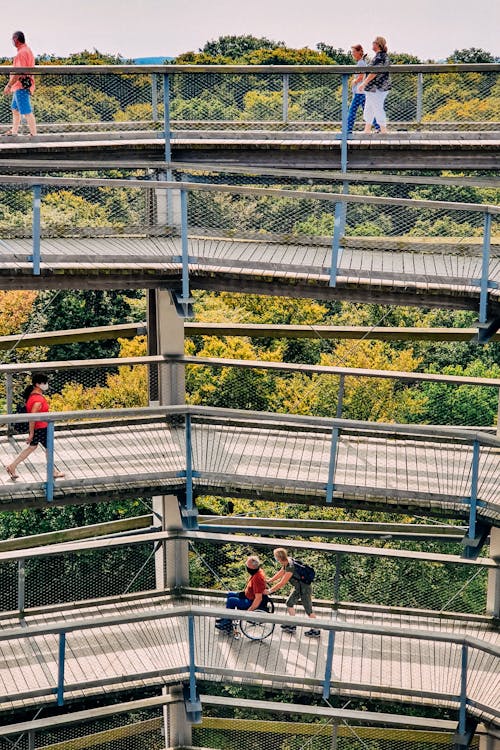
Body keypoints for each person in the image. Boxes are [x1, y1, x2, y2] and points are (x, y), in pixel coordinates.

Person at [6, 373, 64, 480]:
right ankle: (53, 472)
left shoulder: (33, 396)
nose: (46, 385)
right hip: (42, 428)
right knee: (48, 449)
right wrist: (31, 433)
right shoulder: (38, 400)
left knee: (32, 447)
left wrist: (32, 433)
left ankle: (12, 466)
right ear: (37, 384)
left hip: (40, 428)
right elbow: (32, 417)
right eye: (44, 383)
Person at [266, 547, 320, 638]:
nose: (275, 558)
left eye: (275, 557)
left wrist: (270, 590)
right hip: (298, 588)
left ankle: (316, 630)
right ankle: (292, 625)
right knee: (289, 603)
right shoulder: (287, 561)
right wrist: (270, 580)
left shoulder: (290, 567)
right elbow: (281, 572)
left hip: (304, 590)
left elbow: (282, 583)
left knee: (308, 610)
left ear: (279, 558)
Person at [215, 555, 267, 632]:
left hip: (250, 601)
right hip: (247, 595)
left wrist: (249, 611)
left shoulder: (257, 578)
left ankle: (226, 624)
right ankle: (226, 618)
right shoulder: (257, 571)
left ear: (252, 568)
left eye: (247, 566)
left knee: (231, 600)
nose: (246, 567)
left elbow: (258, 598)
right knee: (230, 594)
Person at [3, 31, 37, 137]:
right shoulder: (27, 50)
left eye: (13, 39)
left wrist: (8, 85)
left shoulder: (21, 53)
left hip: (21, 86)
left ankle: (33, 135)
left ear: (16, 39)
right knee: (15, 109)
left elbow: (18, 72)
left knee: (26, 111)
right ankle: (14, 132)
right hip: (23, 85)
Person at [358, 36, 391, 134]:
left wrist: (364, 83)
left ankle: (384, 131)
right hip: (375, 88)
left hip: (376, 88)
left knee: (377, 108)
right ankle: (367, 129)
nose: (372, 44)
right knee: (369, 108)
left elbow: (375, 72)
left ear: (377, 44)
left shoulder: (380, 56)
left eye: (373, 42)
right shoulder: (381, 56)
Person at [347, 44, 379, 135]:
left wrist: (354, 81)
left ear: (359, 52)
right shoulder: (361, 62)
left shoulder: (361, 63)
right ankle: (378, 126)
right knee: (368, 110)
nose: (352, 54)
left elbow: (361, 76)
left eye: (353, 52)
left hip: (359, 93)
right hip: (361, 93)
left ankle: (348, 130)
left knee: (352, 111)